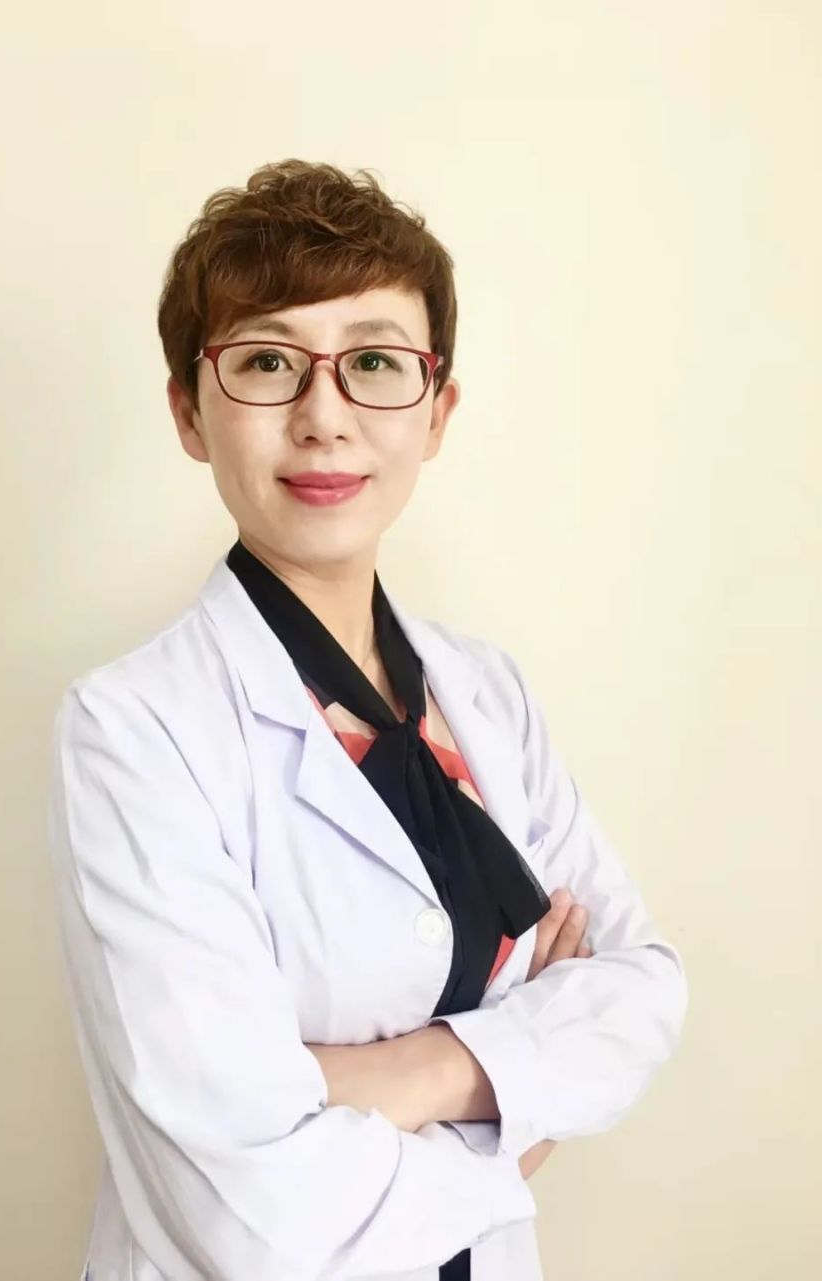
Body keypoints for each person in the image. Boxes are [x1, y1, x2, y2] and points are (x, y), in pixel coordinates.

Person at [48, 159, 688, 1281]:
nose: (324, 418)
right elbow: (249, 1213)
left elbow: (642, 990)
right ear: (189, 413)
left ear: (437, 413)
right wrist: (519, 1104)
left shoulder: (487, 694)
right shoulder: (133, 730)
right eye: (266, 362)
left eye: (376, 362)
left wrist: (408, 1072)